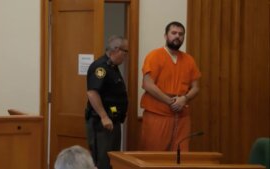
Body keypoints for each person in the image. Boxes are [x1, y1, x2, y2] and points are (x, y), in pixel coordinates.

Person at [139, 21, 201, 151]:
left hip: (182, 117)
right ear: (166, 36)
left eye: (181, 34)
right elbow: (148, 84)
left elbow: (196, 87)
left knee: (180, 156)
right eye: (173, 33)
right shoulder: (154, 56)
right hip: (158, 115)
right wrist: (170, 101)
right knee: (154, 156)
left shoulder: (189, 60)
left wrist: (184, 99)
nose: (177, 36)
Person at [85, 35, 129, 169]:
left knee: (112, 161)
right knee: (102, 161)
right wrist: (104, 117)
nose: (126, 55)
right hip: (102, 123)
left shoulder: (112, 67)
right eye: (125, 51)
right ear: (115, 50)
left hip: (112, 121)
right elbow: (92, 92)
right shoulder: (100, 67)